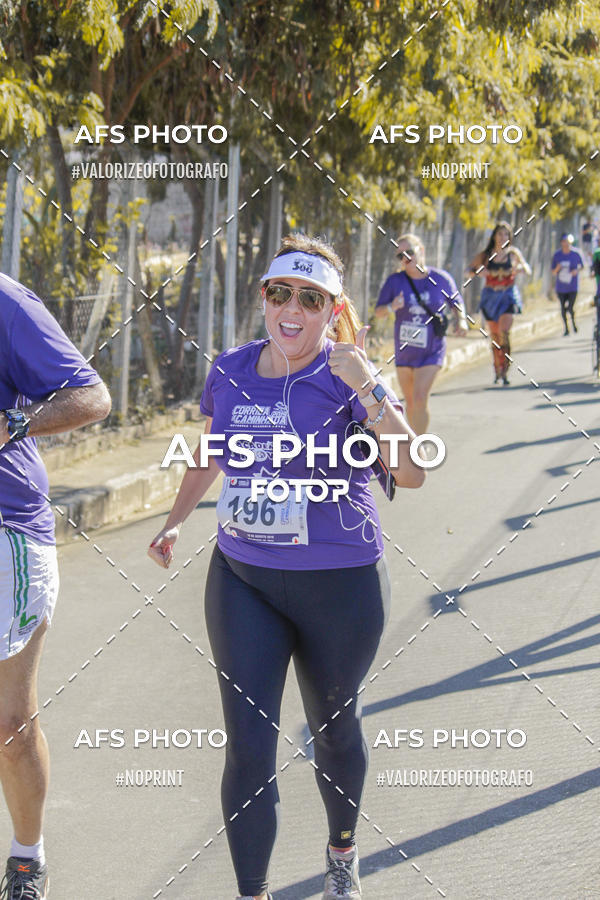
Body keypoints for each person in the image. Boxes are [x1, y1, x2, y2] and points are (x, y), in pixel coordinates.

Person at [148, 234, 425, 900]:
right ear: (264, 298)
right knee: (248, 747)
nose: (291, 309)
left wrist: (372, 391)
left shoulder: (348, 373)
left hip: (342, 586)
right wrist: (176, 518)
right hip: (242, 581)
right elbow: (212, 450)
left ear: (333, 310)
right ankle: (252, 892)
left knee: (333, 733)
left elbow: (411, 473)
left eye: (310, 298)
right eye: (280, 293)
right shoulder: (231, 369)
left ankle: (341, 853)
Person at [0, 273, 111, 899]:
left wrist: (12, 421)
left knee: (9, 727)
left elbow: (91, 397)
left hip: (7, 531)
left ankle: (26, 857)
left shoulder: (6, 303)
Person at [374, 233, 467, 434]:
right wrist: (392, 306)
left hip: (432, 348)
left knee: (419, 397)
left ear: (421, 251)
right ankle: (414, 439)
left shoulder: (440, 279)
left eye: (409, 252)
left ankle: (419, 446)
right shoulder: (395, 281)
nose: (406, 258)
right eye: (400, 256)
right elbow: (378, 312)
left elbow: (456, 303)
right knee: (410, 402)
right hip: (405, 350)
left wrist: (462, 321)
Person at [468, 221, 531, 385]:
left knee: (504, 332)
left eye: (506, 234)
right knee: (495, 336)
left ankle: (505, 368)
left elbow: (527, 268)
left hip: (508, 295)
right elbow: (470, 271)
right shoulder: (486, 256)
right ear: (494, 236)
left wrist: (519, 269)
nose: (503, 237)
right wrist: (480, 272)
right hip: (491, 296)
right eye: (500, 234)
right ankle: (497, 366)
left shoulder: (513, 254)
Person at [551, 233, 585, 336]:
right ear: (561, 243)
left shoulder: (576, 253)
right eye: (564, 241)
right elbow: (553, 271)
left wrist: (576, 271)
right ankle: (566, 328)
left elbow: (582, 266)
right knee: (562, 308)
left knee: (570, 307)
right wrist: (558, 268)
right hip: (561, 287)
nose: (566, 244)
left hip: (573, 286)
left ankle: (574, 323)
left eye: (568, 242)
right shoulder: (557, 255)